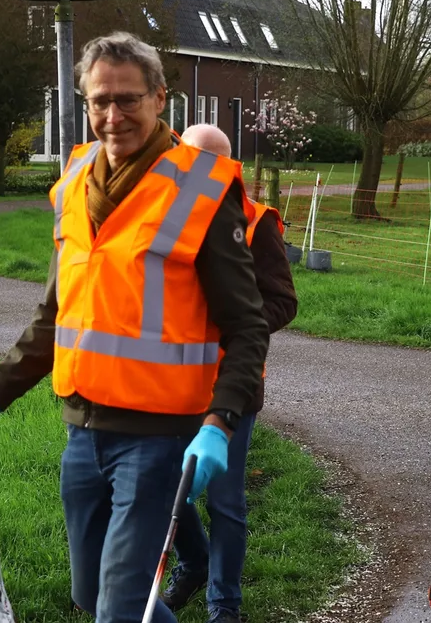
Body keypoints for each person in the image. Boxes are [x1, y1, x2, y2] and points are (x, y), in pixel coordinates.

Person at [0, 32, 270, 623]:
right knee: (95, 597)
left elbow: (248, 325)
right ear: (84, 102)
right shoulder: (74, 183)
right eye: (100, 101)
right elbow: (56, 313)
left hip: (160, 436)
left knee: (119, 610)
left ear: (159, 99)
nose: (112, 115)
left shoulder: (201, 187)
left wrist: (220, 423)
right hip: (82, 431)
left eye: (127, 99)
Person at [161, 124, 298, 623]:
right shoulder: (164, 214)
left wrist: (230, 328)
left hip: (230, 386)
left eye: (204, 162)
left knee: (224, 499)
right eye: (185, 159)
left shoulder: (254, 220)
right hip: (168, 381)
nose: (191, 171)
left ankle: (225, 605)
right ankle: (194, 563)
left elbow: (283, 302)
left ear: (226, 166)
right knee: (162, 484)